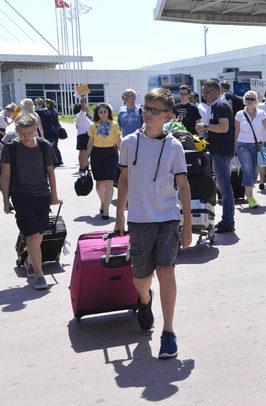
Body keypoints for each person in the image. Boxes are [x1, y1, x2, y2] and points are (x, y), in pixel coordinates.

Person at [115, 88, 192, 360]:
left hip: (167, 218)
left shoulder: (174, 146)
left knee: (166, 271)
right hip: (139, 219)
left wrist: (187, 224)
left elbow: (183, 186)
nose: (147, 113)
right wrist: (119, 215)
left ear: (168, 115)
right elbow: (124, 180)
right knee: (140, 279)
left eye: (154, 110)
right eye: (146, 108)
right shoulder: (128, 142)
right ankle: (144, 300)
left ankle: (168, 332)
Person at [1, 114, 59, 290]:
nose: (26, 137)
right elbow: (5, 175)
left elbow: (50, 172)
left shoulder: (44, 146)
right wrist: (5, 200)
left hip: (42, 195)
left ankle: (29, 260)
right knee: (32, 235)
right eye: (22, 133)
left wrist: (54, 195)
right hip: (21, 196)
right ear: (17, 131)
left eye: (29, 132)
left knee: (38, 235)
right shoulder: (10, 148)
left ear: (35, 129)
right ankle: (40, 275)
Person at [195, 81, 236, 232]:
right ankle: (227, 220)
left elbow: (223, 128)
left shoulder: (220, 106)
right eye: (203, 92)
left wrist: (205, 126)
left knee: (225, 189)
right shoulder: (219, 106)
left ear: (216, 91)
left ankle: (228, 222)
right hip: (220, 151)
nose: (204, 95)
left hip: (221, 152)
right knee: (224, 188)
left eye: (206, 92)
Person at [235, 90, 266, 209]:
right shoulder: (239, 114)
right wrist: (233, 147)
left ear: (257, 101)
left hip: (257, 146)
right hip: (243, 144)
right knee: (247, 168)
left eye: (252, 99)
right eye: (247, 98)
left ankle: (248, 190)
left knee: (254, 172)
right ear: (244, 100)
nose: (250, 101)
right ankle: (251, 197)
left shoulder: (262, 113)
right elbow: (236, 132)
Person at [84, 103, 122, 220]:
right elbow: (90, 143)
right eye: (100, 112)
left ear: (109, 112)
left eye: (105, 111)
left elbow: (118, 141)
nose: (103, 114)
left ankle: (106, 209)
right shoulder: (93, 126)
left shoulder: (114, 125)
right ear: (97, 114)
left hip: (111, 154)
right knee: (99, 184)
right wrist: (85, 159)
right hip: (97, 154)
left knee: (109, 182)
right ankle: (103, 202)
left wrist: (124, 155)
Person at [35, 99, 62, 167]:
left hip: (44, 132)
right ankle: (57, 161)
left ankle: (51, 162)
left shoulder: (36, 113)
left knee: (46, 149)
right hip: (52, 131)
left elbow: (40, 125)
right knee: (54, 147)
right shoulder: (50, 111)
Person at [74, 95, 92, 170]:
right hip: (84, 135)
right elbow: (83, 108)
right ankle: (82, 167)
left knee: (85, 152)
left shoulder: (83, 116)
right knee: (83, 153)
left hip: (84, 135)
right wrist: (82, 98)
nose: (88, 108)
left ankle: (85, 165)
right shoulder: (80, 115)